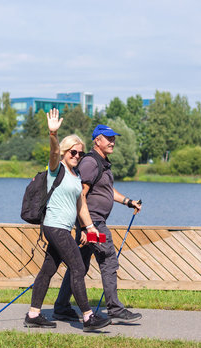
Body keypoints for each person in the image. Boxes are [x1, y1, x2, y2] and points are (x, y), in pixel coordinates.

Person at [24, 108, 111, 332]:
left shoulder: (75, 176)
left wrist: (89, 228)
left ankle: (33, 314)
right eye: (72, 152)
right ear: (64, 152)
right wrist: (53, 135)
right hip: (55, 227)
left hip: (63, 229)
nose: (76, 156)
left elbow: (80, 204)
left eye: (80, 154)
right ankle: (88, 317)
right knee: (78, 267)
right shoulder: (57, 169)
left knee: (47, 270)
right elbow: (53, 154)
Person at [53, 124, 143, 324]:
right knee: (108, 258)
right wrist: (86, 227)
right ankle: (114, 308)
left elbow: (108, 191)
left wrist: (129, 202)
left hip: (92, 223)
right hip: (93, 223)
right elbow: (80, 193)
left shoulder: (102, 163)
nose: (112, 142)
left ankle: (61, 307)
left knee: (80, 265)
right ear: (97, 140)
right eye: (108, 138)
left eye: (114, 138)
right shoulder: (91, 163)